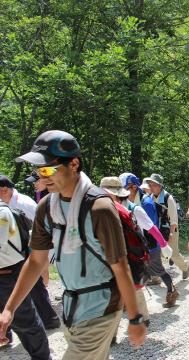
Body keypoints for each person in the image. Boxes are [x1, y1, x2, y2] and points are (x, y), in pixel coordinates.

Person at [0, 130, 145, 359]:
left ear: (74, 164)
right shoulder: (47, 207)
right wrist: (9, 309)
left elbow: (120, 266)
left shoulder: (100, 209)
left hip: (102, 307)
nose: (42, 176)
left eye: (47, 169)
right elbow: (36, 260)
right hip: (72, 308)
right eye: (38, 171)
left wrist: (135, 318)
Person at [100, 177, 176, 315]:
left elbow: (152, 227)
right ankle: (131, 307)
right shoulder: (108, 208)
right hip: (124, 251)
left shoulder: (139, 206)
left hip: (145, 247)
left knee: (156, 271)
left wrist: (164, 245)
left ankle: (171, 291)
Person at [0, 175, 61, 331]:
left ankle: (50, 320)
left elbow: (44, 229)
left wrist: (42, 263)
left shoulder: (25, 204)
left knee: (35, 285)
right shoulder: (7, 203)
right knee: (32, 286)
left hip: (33, 249)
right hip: (19, 251)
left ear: (6, 190)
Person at [146, 173, 189, 279]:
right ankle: (155, 276)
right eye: (150, 184)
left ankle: (185, 267)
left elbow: (174, 219)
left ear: (159, 186)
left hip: (170, 230)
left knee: (173, 254)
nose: (151, 187)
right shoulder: (150, 198)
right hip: (157, 230)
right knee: (157, 252)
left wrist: (171, 232)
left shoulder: (168, 198)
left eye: (153, 184)